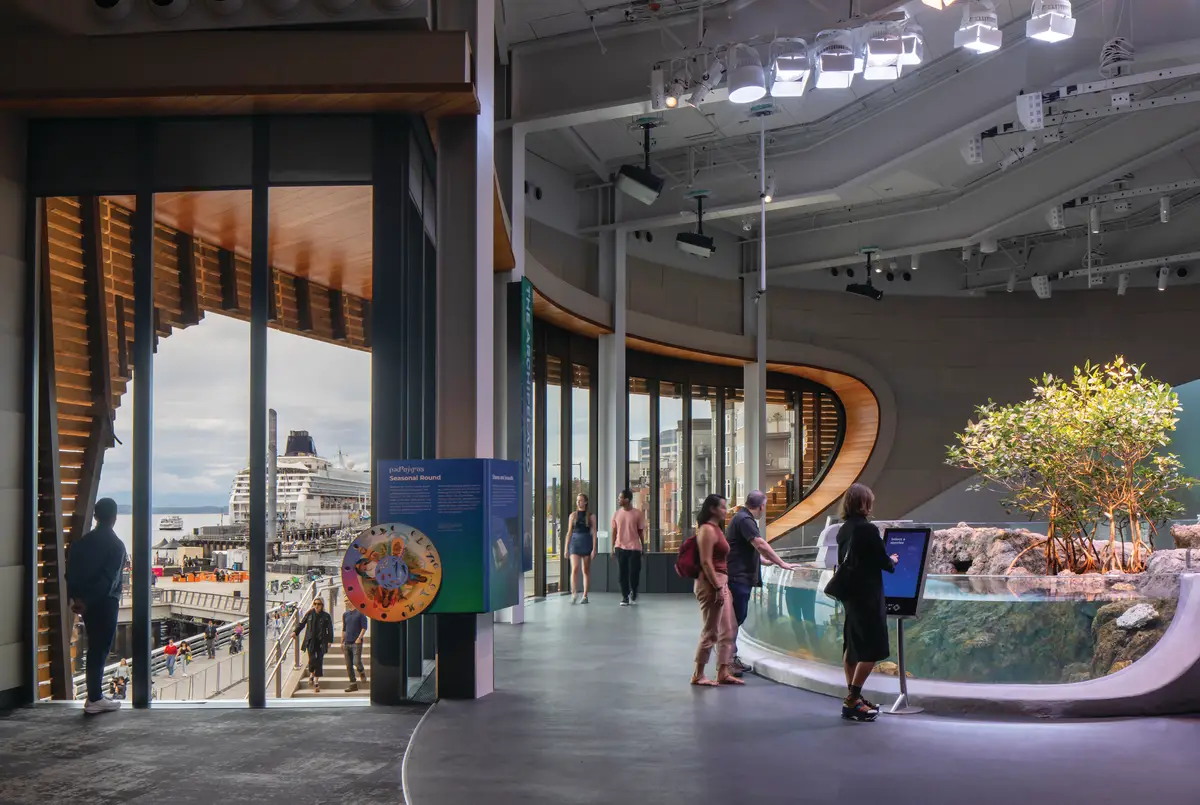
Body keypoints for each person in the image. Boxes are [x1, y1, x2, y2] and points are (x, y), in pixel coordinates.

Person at [835, 483, 899, 723]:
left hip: (850, 595)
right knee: (872, 648)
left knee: (852, 646)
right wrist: (892, 559)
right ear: (864, 503)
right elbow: (884, 562)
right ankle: (852, 700)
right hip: (868, 597)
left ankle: (854, 698)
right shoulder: (868, 530)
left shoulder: (843, 530)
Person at [725, 490, 802, 675]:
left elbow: (743, 549)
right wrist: (781, 562)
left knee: (736, 619)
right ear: (761, 506)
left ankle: (729, 659)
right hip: (738, 578)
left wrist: (763, 561)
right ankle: (728, 661)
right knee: (734, 620)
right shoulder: (745, 520)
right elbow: (760, 544)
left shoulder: (740, 518)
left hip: (739, 576)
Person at [66, 497, 127, 714]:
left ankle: (95, 696)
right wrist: (89, 600)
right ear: (114, 517)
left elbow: (70, 573)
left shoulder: (82, 543)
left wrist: (78, 599)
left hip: (86, 604)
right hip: (106, 602)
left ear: (95, 516)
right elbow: (109, 580)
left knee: (94, 647)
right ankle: (94, 698)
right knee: (100, 649)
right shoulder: (117, 545)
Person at [691, 494, 742, 688]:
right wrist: (718, 587)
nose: (725, 510)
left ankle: (723, 671)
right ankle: (698, 674)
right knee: (711, 631)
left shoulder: (717, 529)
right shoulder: (706, 530)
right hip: (711, 584)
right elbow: (706, 562)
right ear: (712, 509)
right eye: (722, 507)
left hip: (721, 582)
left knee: (729, 629)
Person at [611, 489, 647, 607]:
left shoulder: (637, 514)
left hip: (634, 548)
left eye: (620, 497)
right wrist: (612, 547)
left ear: (627, 499)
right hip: (620, 547)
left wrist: (643, 546)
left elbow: (641, 532)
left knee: (634, 573)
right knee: (622, 574)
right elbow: (614, 532)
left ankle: (634, 591)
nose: (618, 499)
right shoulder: (616, 514)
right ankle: (625, 596)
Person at [294, 596, 334, 693]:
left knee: (319, 660)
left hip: (321, 641)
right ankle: (312, 674)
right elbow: (302, 623)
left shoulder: (326, 616)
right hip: (310, 641)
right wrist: (295, 632)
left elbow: (330, 629)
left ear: (322, 605)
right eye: (315, 604)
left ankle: (316, 682)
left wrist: (329, 641)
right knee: (312, 659)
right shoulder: (309, 614)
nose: (317, 606)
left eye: (319, 604)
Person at [566, 493, 597, 604]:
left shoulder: (591, 516)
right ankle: (573, 593)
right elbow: (569, 532)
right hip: (575, 542)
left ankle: (585, 595)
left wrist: (594, 548)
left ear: (585, 502)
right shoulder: (572, 515)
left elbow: (594, 533)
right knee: (574, 568)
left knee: (586, 570)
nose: (578, 502)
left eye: (580, 500)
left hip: (586, 541)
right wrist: (566, 548)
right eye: (577, 500)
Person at [342, 601, 369, 692]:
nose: (345, 602)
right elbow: (344, 629)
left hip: (356, 642)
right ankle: (353, 684)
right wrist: (342, 641)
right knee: (348, 665)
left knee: (356, 661)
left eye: (346, 600)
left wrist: (359, 638)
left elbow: (364, 627)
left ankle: (361, 671)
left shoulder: (360, 613)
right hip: (347, 642)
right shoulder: (345, 614)